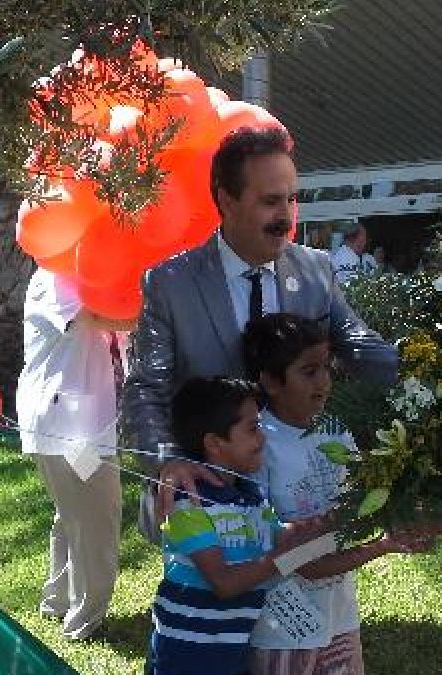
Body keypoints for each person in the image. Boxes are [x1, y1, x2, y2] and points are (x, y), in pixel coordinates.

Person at [124, 126, 397, 542]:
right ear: (226, 200)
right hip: (214, 510)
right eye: (270, 202)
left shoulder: (316, 270)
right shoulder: (170, 284)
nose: (286, 217)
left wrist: (436, 376)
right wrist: (168, 461)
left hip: (304, 504)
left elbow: (359, 346)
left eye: (291, 199)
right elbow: (146, 388)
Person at [242, 313, 432, 675]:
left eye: (326, 367)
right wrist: (381, 545)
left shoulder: (335, 429)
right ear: (270, 381)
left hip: (339, 617)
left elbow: (356, 506)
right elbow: (294, 560)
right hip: (283, 630)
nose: (324, 381)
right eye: (309, 371)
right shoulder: (259, 445)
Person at [146, 377, 328, 675]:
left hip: (233, 655)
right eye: (253, 428)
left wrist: (325, 527)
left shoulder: (251, 497)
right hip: (184, 660)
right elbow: (225, 583)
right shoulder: (187, 501)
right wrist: (285, 557)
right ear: (214, 443)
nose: (263, 438)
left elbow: (281, 537)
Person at [15, 268, 135, 641]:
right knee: (97, 516)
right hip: (70, 425)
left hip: (77, 422)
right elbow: (95, 317)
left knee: (72, 513)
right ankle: (86, 620)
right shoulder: (55, 277)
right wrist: (159, 307)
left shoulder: (89, 278)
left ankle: (59, 601)